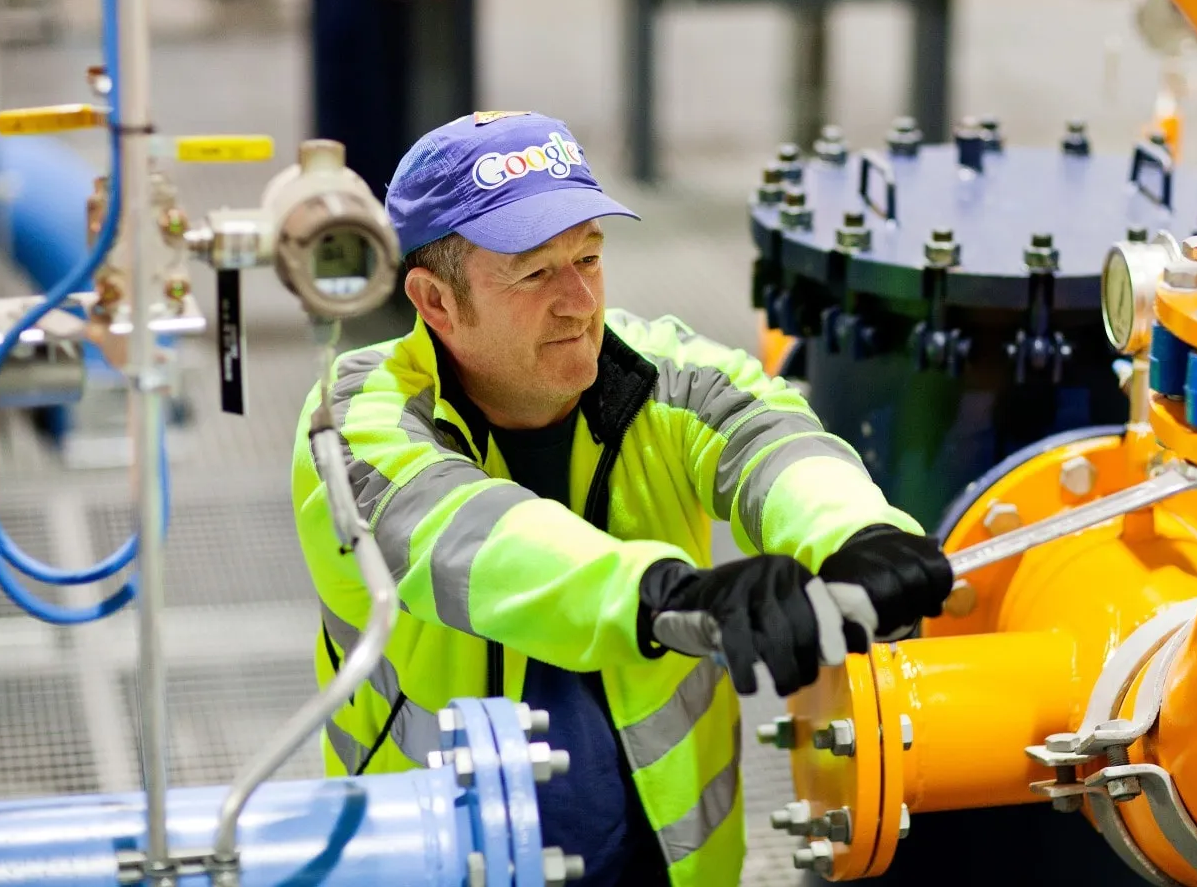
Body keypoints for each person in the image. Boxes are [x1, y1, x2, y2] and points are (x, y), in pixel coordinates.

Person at [292, 111, 954, 887]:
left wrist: (860, 533)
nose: (579, 302)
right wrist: (670, 595)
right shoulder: (353, 423)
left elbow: (769, 438)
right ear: (435, 302)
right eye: (535, 274)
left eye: (589, 257)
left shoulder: (660, 371)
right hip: (440, 865)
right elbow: (476, 541)